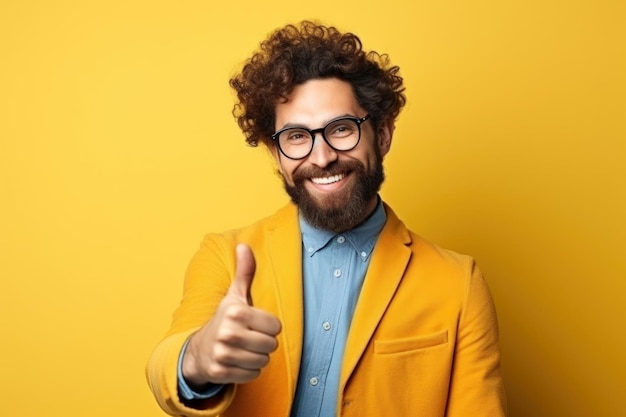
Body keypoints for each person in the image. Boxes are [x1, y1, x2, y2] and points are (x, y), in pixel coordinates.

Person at [146, 20, 506, 417]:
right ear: (275, 152)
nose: (321, 158)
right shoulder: (224, 256)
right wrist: (198, 357)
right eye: (297, 137)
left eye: (341, 128)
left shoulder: (458, 283)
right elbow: (166, 365)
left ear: (382, 134)